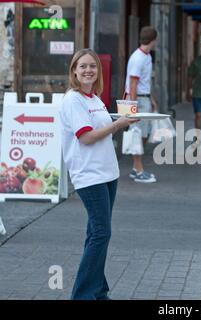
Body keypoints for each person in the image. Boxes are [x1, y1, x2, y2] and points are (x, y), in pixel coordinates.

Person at [59, 49, 138, 299]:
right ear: (74, 70)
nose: (88, 71)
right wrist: (118, 124)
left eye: (92, 66)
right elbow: (86, 137)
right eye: (82, 67)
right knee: (102, 232)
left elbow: (102, 126)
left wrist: (120, 119)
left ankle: (99, 292)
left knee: (95, 233)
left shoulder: (94, 98)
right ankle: (83, 294)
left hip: (107, 173)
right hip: (88, 174)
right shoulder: (73, 100)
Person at [124, 26, 158, 183]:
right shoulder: (138, 58)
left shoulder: (146, 56)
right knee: (137, 134)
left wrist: (151, 99)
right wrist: (133, 105)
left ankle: (136, 168)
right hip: (137, 99)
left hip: (143, 98)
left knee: (142, 134)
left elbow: (143, 81)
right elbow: (133, 82)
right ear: (153, 40)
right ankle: (138, 170)